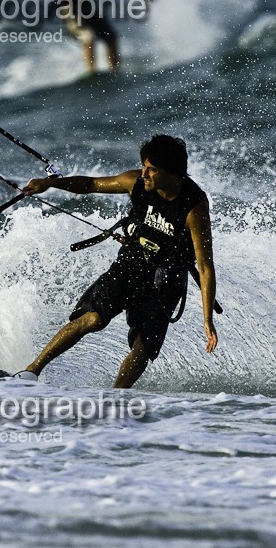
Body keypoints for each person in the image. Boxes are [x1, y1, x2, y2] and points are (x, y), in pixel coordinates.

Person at [20, 134, 218, 388]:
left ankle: (114, 401)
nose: (144, 174)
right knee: (93, 318)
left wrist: (207, 320)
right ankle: (29, 373)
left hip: (168, 276)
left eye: (151, 170)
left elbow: (205, 268)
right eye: (144, 166)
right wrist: (50, 183)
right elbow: (91, 184)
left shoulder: (194, 208)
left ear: (172, 173)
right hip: (132, 261)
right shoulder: (135, 182)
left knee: (142, 347)